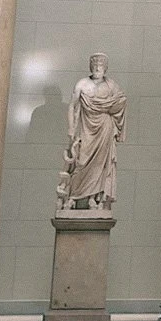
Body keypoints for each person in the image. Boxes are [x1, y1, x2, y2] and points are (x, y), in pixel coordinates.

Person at [57, 53, 126, 210]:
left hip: (104, 129)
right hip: (86, 128)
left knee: (100, 165)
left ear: (105, 69)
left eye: (100, 67)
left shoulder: (111, 86)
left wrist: (112, 107)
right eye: (94, 66)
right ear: (90, 67)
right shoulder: (82, 84)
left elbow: (121, 102)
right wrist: (71, 127)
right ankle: (73, 196)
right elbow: (72, 106)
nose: (97, 69)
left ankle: (94, 198)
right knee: (81, 161)